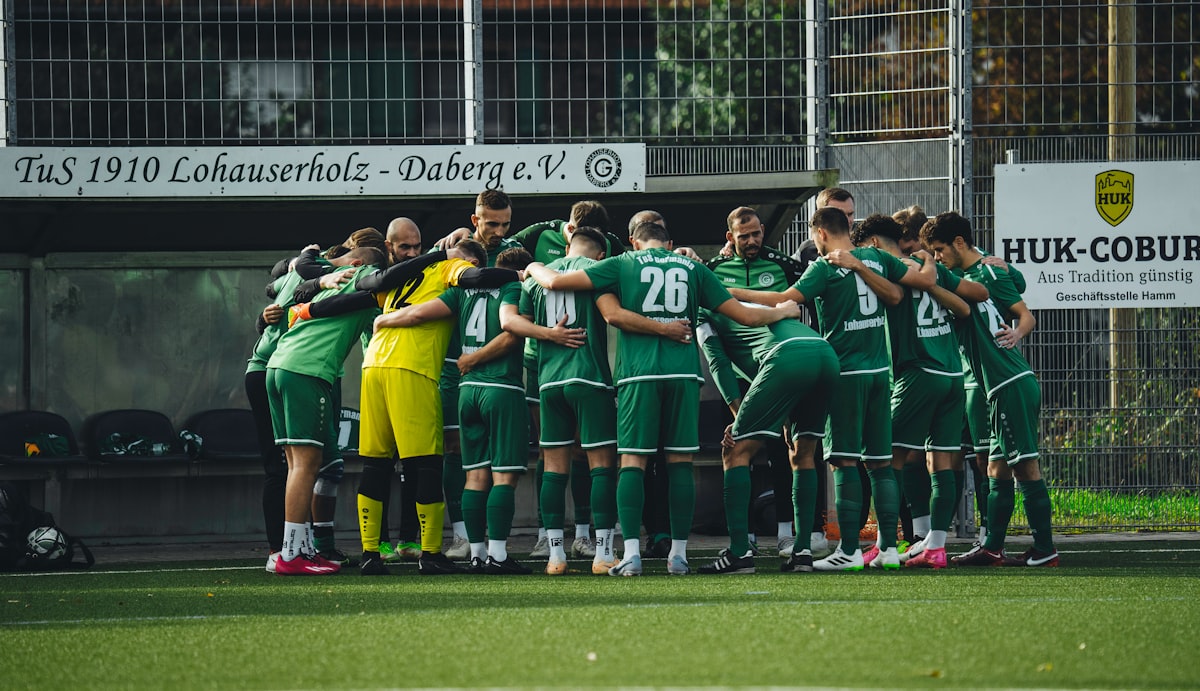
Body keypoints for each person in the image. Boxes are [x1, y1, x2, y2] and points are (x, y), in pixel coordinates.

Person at [526, 220, 803, 577]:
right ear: (670, 242)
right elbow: (744, 314)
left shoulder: (622, 263)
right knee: (679, 464)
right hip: (683, 374)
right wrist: (782, 310)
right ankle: (679, 555)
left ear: (632, 241)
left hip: (637, 375)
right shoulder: (692, 268)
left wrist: (532, 266)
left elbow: (560, 285)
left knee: (632, 463)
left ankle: (629, 555)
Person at [730, 206, 935, 571]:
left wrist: (727, 291)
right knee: (881, 464)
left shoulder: (824, 267)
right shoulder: (875, 256)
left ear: (820, 234)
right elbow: (900, 294)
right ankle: (888, 549)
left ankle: (851, 550)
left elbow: (783, 300)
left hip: (847, 373)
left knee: (844, 461)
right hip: (880, 372)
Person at [376, 247, 535, 574]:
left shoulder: (460, 290)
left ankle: (477, 554)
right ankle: (499, 556)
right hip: (501, 389)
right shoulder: (512, 287)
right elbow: (510, 332)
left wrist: (383, 318)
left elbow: (417, 313)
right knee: (503, 476)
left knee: (475, 475)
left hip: (466, 393)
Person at [920, 212, 1058, 567]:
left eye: (939, 250)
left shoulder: (984, 275)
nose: (937, 258)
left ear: (960, 243)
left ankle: (1045, 549)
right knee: (996, 468)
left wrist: (1017, 332)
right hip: (995, 387)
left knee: (1025, 466)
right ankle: (992, 546)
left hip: (1008, 382)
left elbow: (1023, 311)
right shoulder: (969, 278)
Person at [851, 213, 988, 569]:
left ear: (876, 245)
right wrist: (932, 281)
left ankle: (885, 547)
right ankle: (937, 547)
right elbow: (972, 299)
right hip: (952, 375)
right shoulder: (928, 267)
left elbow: (892, 298)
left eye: (865, 248)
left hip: (917, 373)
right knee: (941, 462)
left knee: (884, 460)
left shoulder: (886, 269)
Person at [694, 293, 840, 574]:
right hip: (824, 352)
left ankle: (739, 553)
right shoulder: (745, 305)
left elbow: (719, 365)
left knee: (735, 449)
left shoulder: (704, 312)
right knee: (803, 453)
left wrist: (737, 419)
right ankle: (803, 552)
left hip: (786, 356)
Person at [504, 227, 621, 574]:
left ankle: (555, 556)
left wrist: (549, 334)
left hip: (548, 382)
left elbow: (516, 324)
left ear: (567, 246)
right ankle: (602, 554)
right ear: (600, 254)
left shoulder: (536, 278)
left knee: (553, 467)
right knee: (601, 466)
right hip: (590, 378)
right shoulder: (599, 269)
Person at [265, 245, 388, 575]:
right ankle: (291, 554)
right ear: (361, 267)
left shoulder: (319, 274)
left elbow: (274, 281)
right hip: (307, 371)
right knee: (306, 463)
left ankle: (298, 547)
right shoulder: (363, 284)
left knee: (296, 463)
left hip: (277, 367)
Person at [705, 206, 807, 558]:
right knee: (737, 450)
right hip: (736, 378)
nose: (751, 241)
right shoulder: (713, 270)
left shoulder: (782, 264)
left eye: (756, 234)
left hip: (776, 370)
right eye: (743, 236)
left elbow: (807, 298)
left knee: (783, 450)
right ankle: (744, 534)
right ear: (729, 237)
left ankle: (785, 532)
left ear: (763, 231)